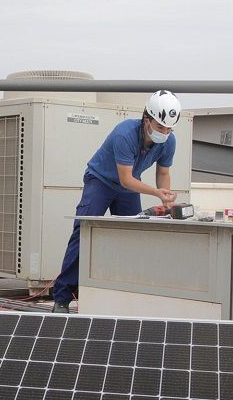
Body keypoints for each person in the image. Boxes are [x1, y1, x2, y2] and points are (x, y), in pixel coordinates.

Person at [49, 90, 182, 313]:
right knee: (84, 231)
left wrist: (166, 197)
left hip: (130, 186)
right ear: (147, 119)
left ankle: (122, 293)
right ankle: (62, 297)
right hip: (101, 181)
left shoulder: (169, 141)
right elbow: (126, 179)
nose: (164, 132)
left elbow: (163, 172)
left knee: (133, 236)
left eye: (169, 128)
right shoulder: (125, 134)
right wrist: (157, 193)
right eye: (160, 127)